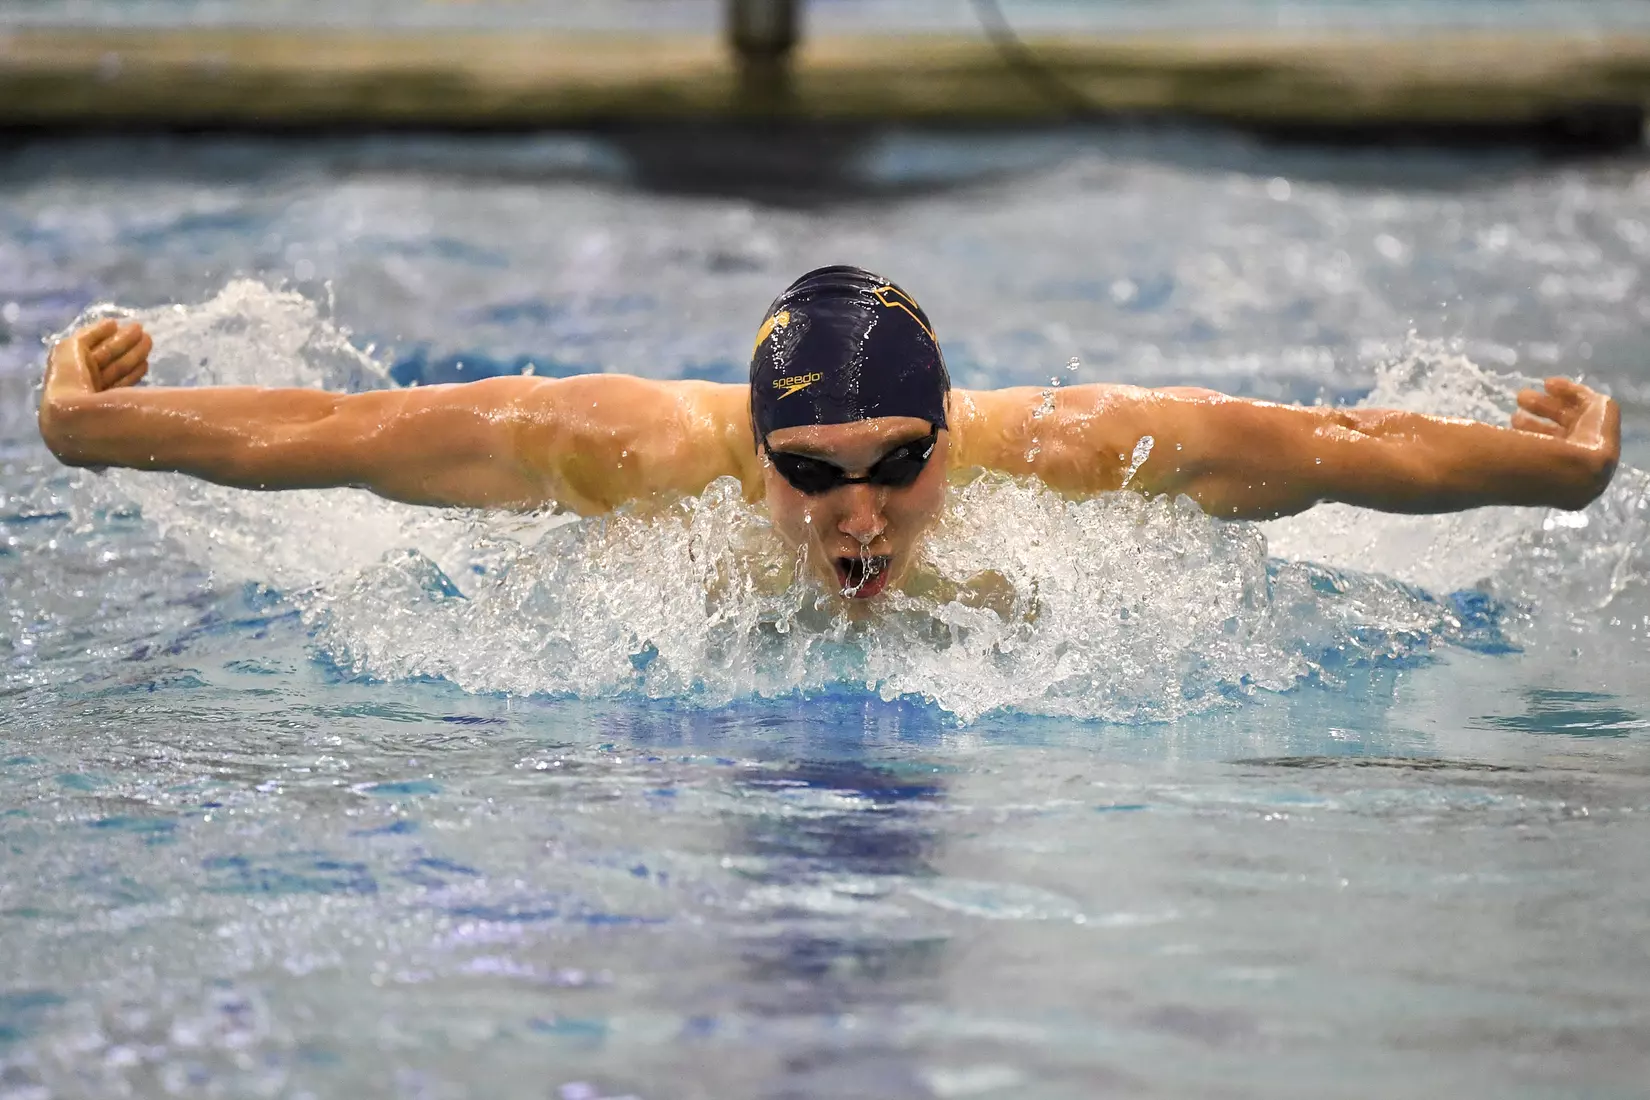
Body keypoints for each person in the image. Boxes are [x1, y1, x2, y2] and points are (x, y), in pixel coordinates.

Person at [38, 265, 1620, 601]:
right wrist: (93, 428)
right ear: (754, 446)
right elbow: (332, 429)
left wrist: (1567, 468)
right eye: (809, 472)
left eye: (896, 464)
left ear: (951, 430)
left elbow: (1346, 447)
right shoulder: (621, 448)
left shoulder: (1067, 449)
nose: (856, 514)